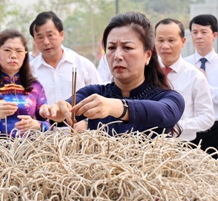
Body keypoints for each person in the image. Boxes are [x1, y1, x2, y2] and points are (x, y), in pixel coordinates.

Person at [39, 12, 185, 135]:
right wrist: (58, 111)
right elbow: (70, 108)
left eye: (127, 47)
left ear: (148, 55)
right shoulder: (94, 94)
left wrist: (114, 107)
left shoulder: (169, 98)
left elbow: (164, 113)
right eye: (111, 47)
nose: (117, 56)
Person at [184, 14, 218, 162]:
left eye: (203, 32)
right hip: (190, 129)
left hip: (216, 129)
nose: (198, 36)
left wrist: (204, 85)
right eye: (194, 32)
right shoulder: (184, 65)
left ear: (214, 35)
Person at [154, 18, 214, 144]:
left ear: (183, 41)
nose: (165, 46)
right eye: (160, 40)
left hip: (182, 146)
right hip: (149, 147)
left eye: (171, 40)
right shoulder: (145, 73)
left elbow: (207, 118)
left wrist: (176, 126)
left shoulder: (195, 76)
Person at [29, 12, 101, 107]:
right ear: (34, 41)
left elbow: (100, 98)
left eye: (50, 35)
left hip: (78, 121)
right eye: (40, 37)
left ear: (61, 35)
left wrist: (86, 122)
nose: (46, 42)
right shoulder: (30, 72)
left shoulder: (83, 65)